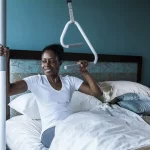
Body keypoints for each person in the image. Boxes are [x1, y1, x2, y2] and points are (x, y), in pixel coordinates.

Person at [0, 44, 104, 148]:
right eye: (44, 61)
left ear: (60, 63)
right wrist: (5, 61)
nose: (47, 65)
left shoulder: (69, 80)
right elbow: (7, 90)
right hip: (50, 130)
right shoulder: (36, 81)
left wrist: (85, 72)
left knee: (95, 138)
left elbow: (97, 93)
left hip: (71, 125)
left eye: (52, 61)